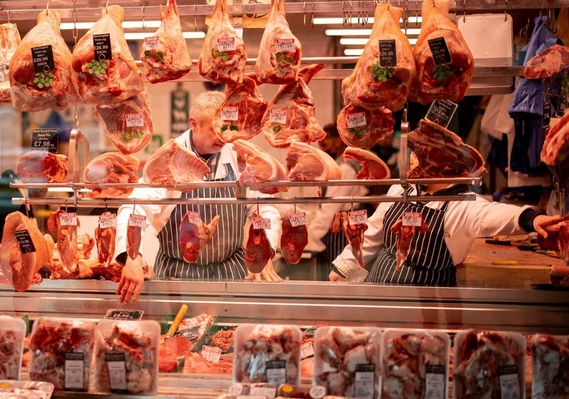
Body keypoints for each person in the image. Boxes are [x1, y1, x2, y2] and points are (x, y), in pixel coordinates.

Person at [115, 91, 282, 303]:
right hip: (176, 275)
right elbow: (136, 208)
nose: (223, 135)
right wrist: (132, 256)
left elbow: (264, 209)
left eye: (227, 126)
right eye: (214, 128)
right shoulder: (171, 158)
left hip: (232, 271)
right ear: (194, 124)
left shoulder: (239, 157)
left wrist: (265, 248)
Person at [330, 181, 569, 286]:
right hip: (379, 290)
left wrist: (532, 219)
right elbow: (372, 234)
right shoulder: (400, 190)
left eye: (418, 155)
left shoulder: (462, 204)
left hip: (430, 302)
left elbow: (495, 216)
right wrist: (343, 268)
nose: (412, 161)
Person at [304, 123, 366, 279]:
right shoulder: (340, 166)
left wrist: (308, 237)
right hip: (337, 232)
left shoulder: (344, 169)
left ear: (338, 141)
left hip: (340, 234)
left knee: (336, 279)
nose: (323, 149)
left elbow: (329, 211)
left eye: (325, 143)